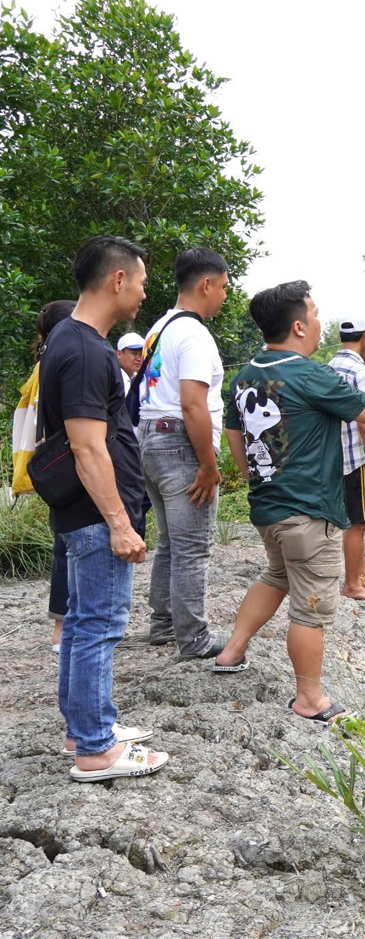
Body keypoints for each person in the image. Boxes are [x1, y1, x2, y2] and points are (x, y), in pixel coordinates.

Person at [211, 281, 365, 728]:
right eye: (315, 311)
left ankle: (231, 652)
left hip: (267, 508)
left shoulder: (245, 374)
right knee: (310, 606)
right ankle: (309, 698)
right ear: (298, 325)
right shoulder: (308, 373)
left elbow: (234, 437)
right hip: (308, 513)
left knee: (275, 575)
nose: (320, 320)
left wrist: (257, 477)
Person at [38, 235, 167, 782]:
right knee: (98, 625)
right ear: (117, 280)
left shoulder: (67, 339)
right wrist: (121, 523)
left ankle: (87, 726)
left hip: (79, 512)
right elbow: (88, 447)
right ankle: (94, 749)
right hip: (96, 515)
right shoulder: (89, 351)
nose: (141, 294)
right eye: (139, 282)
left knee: (82, 624)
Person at [137, 248, 230, 658]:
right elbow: (193, 403)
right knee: (192, 547)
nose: (225, 296)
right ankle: (193, 639)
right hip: (179, 443)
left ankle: (163, 624)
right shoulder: (193, 333)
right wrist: (208, 466)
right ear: (205, 284)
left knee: (172, 543)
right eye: (224, 287)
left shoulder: (159, 327)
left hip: (149, 439)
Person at [16, 300, 79, 655]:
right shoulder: (65, 359)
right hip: (67, 464)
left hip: (49, 467)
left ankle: (60, 629)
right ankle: (64, 631)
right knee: (71, 548)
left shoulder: (44, 362)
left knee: (63, 547)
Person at [329, 315, 365, 603]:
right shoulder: (360, 370)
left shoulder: (329, 367)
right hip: (355, 457)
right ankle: (352, 583)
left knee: (355, 519)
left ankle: (363, 575)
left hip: (333, 457)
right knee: (358, 521)